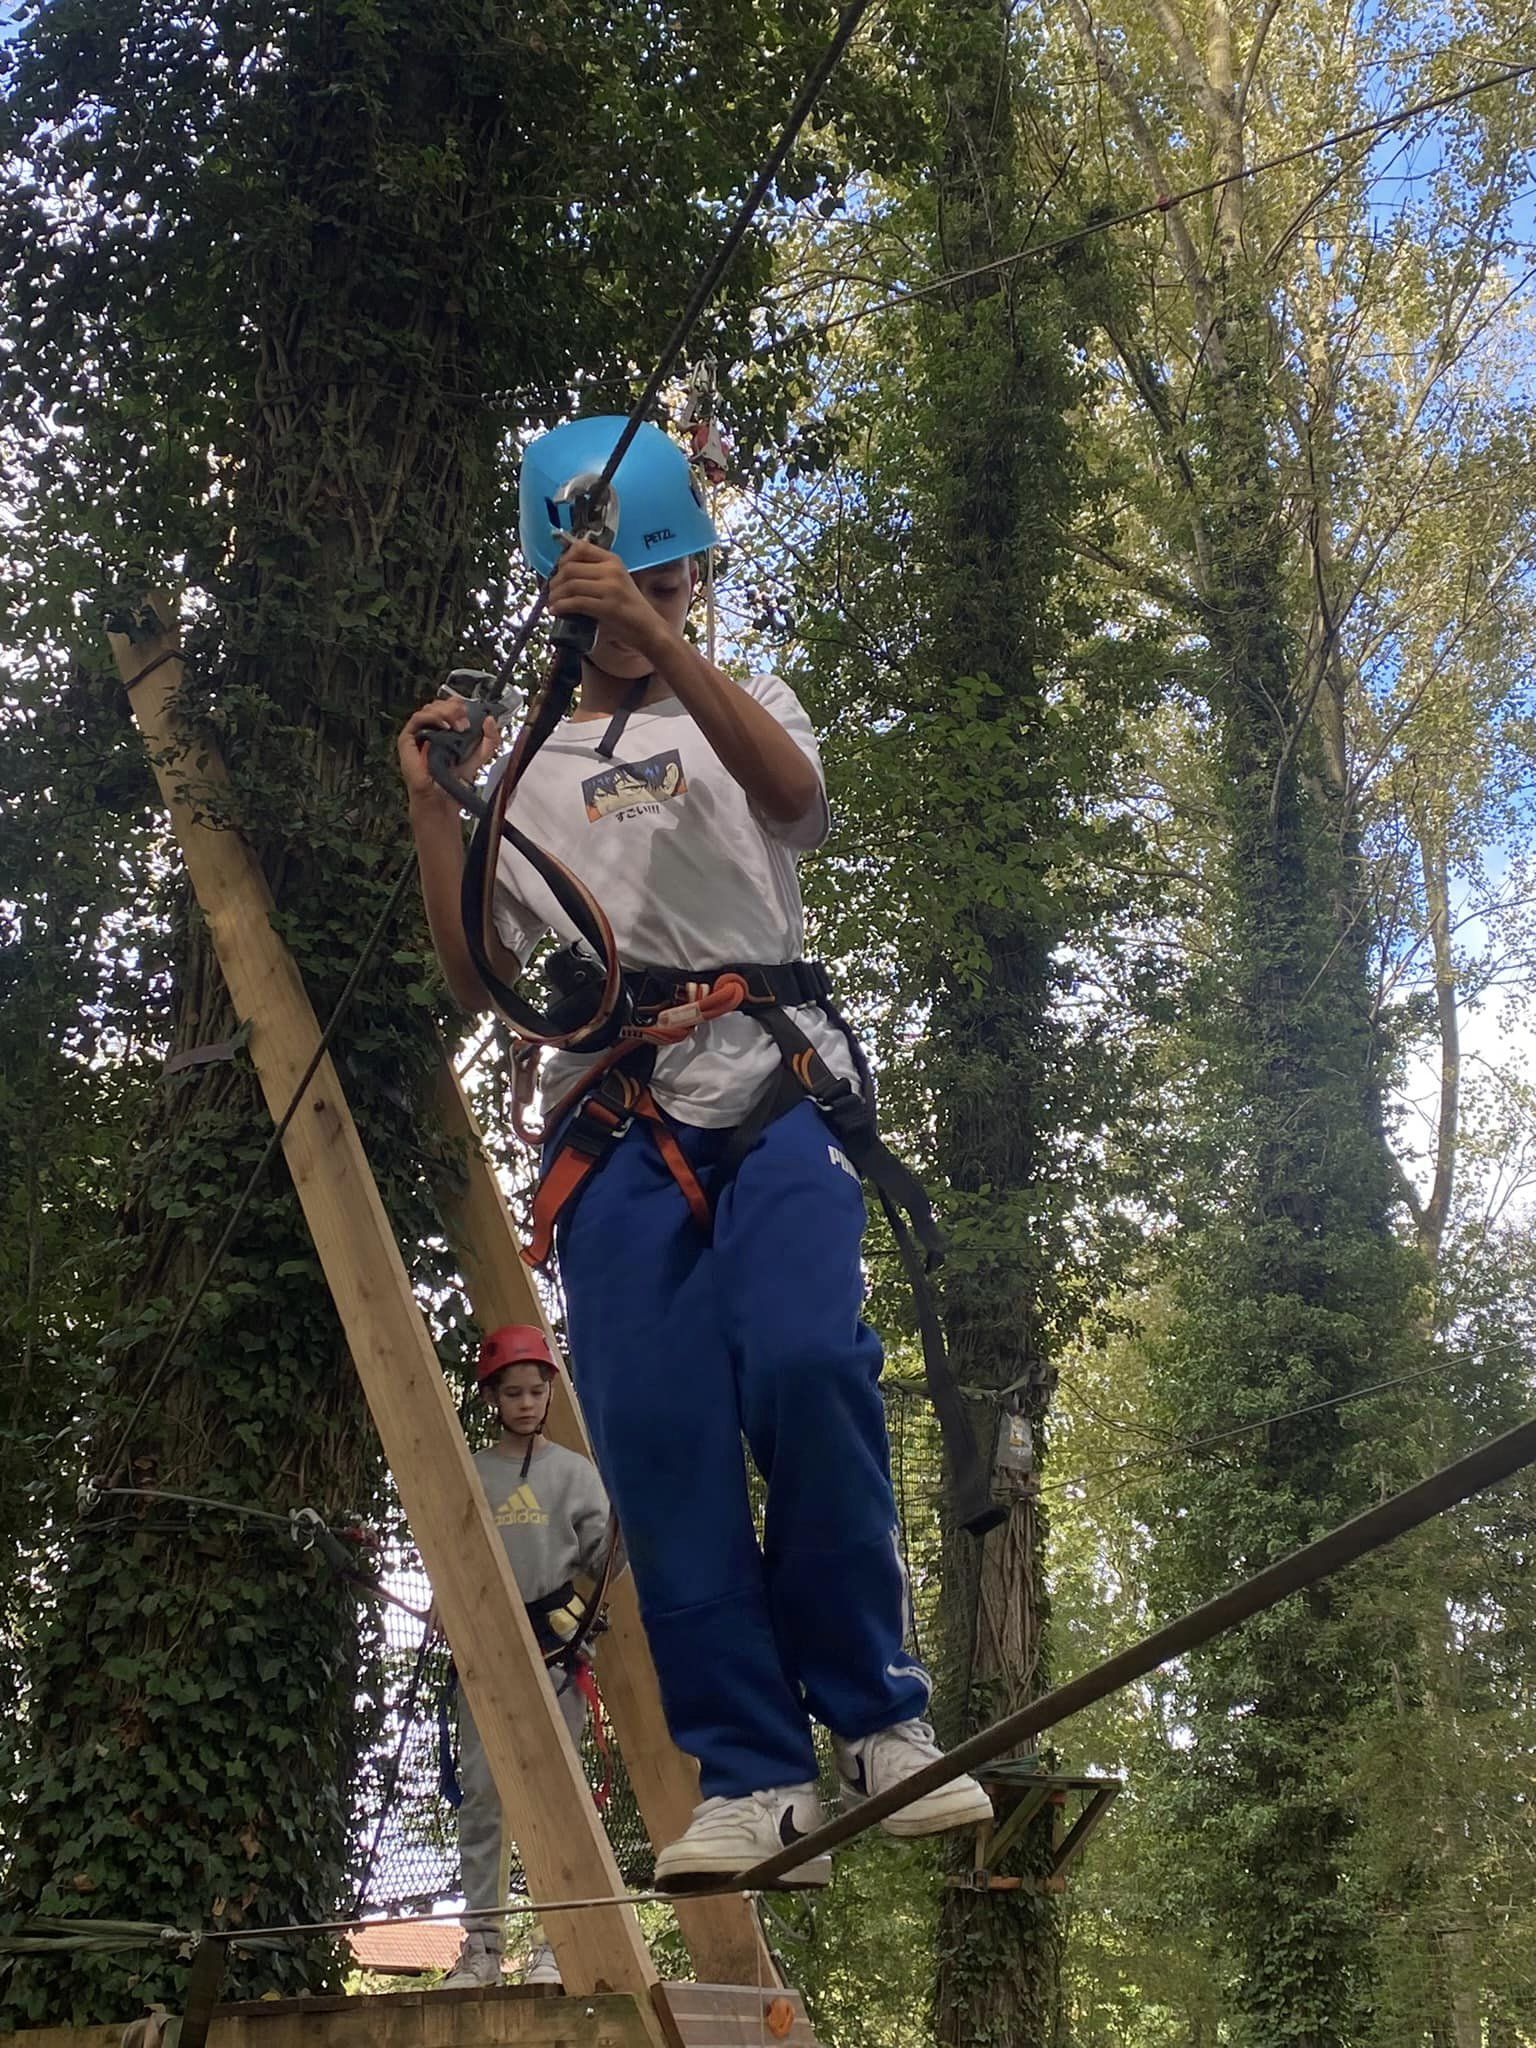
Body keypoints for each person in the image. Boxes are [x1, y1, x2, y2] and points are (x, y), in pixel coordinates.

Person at [398, 416, 992, 1890]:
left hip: (774, 1084)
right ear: (559, 588)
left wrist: (662, 646)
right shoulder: (521, 774)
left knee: (807, 1357)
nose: (644, 611)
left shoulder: (744, 702)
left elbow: (796, 802)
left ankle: (878, 1721)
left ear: (691, 583)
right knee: (659, 1437)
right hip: (616, 1116)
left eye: (670, 588)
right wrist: (431, 803)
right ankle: (751, 1776)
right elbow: (478, 978)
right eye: (623, 590)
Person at [439, 1323, 612, 1990]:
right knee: (483, 1796)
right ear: (492, 1397)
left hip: (556, 1654)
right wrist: (447, 1598)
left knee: (558, 1795)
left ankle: (556, 1946)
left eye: (536, 1392)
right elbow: (451, 1546)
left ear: (549, 1394)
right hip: (485, 1657)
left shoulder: (575, 1475)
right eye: (512, 1393)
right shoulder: (472, 1472)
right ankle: (482, 1949)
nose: (525, 1403)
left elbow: (605, 1560)